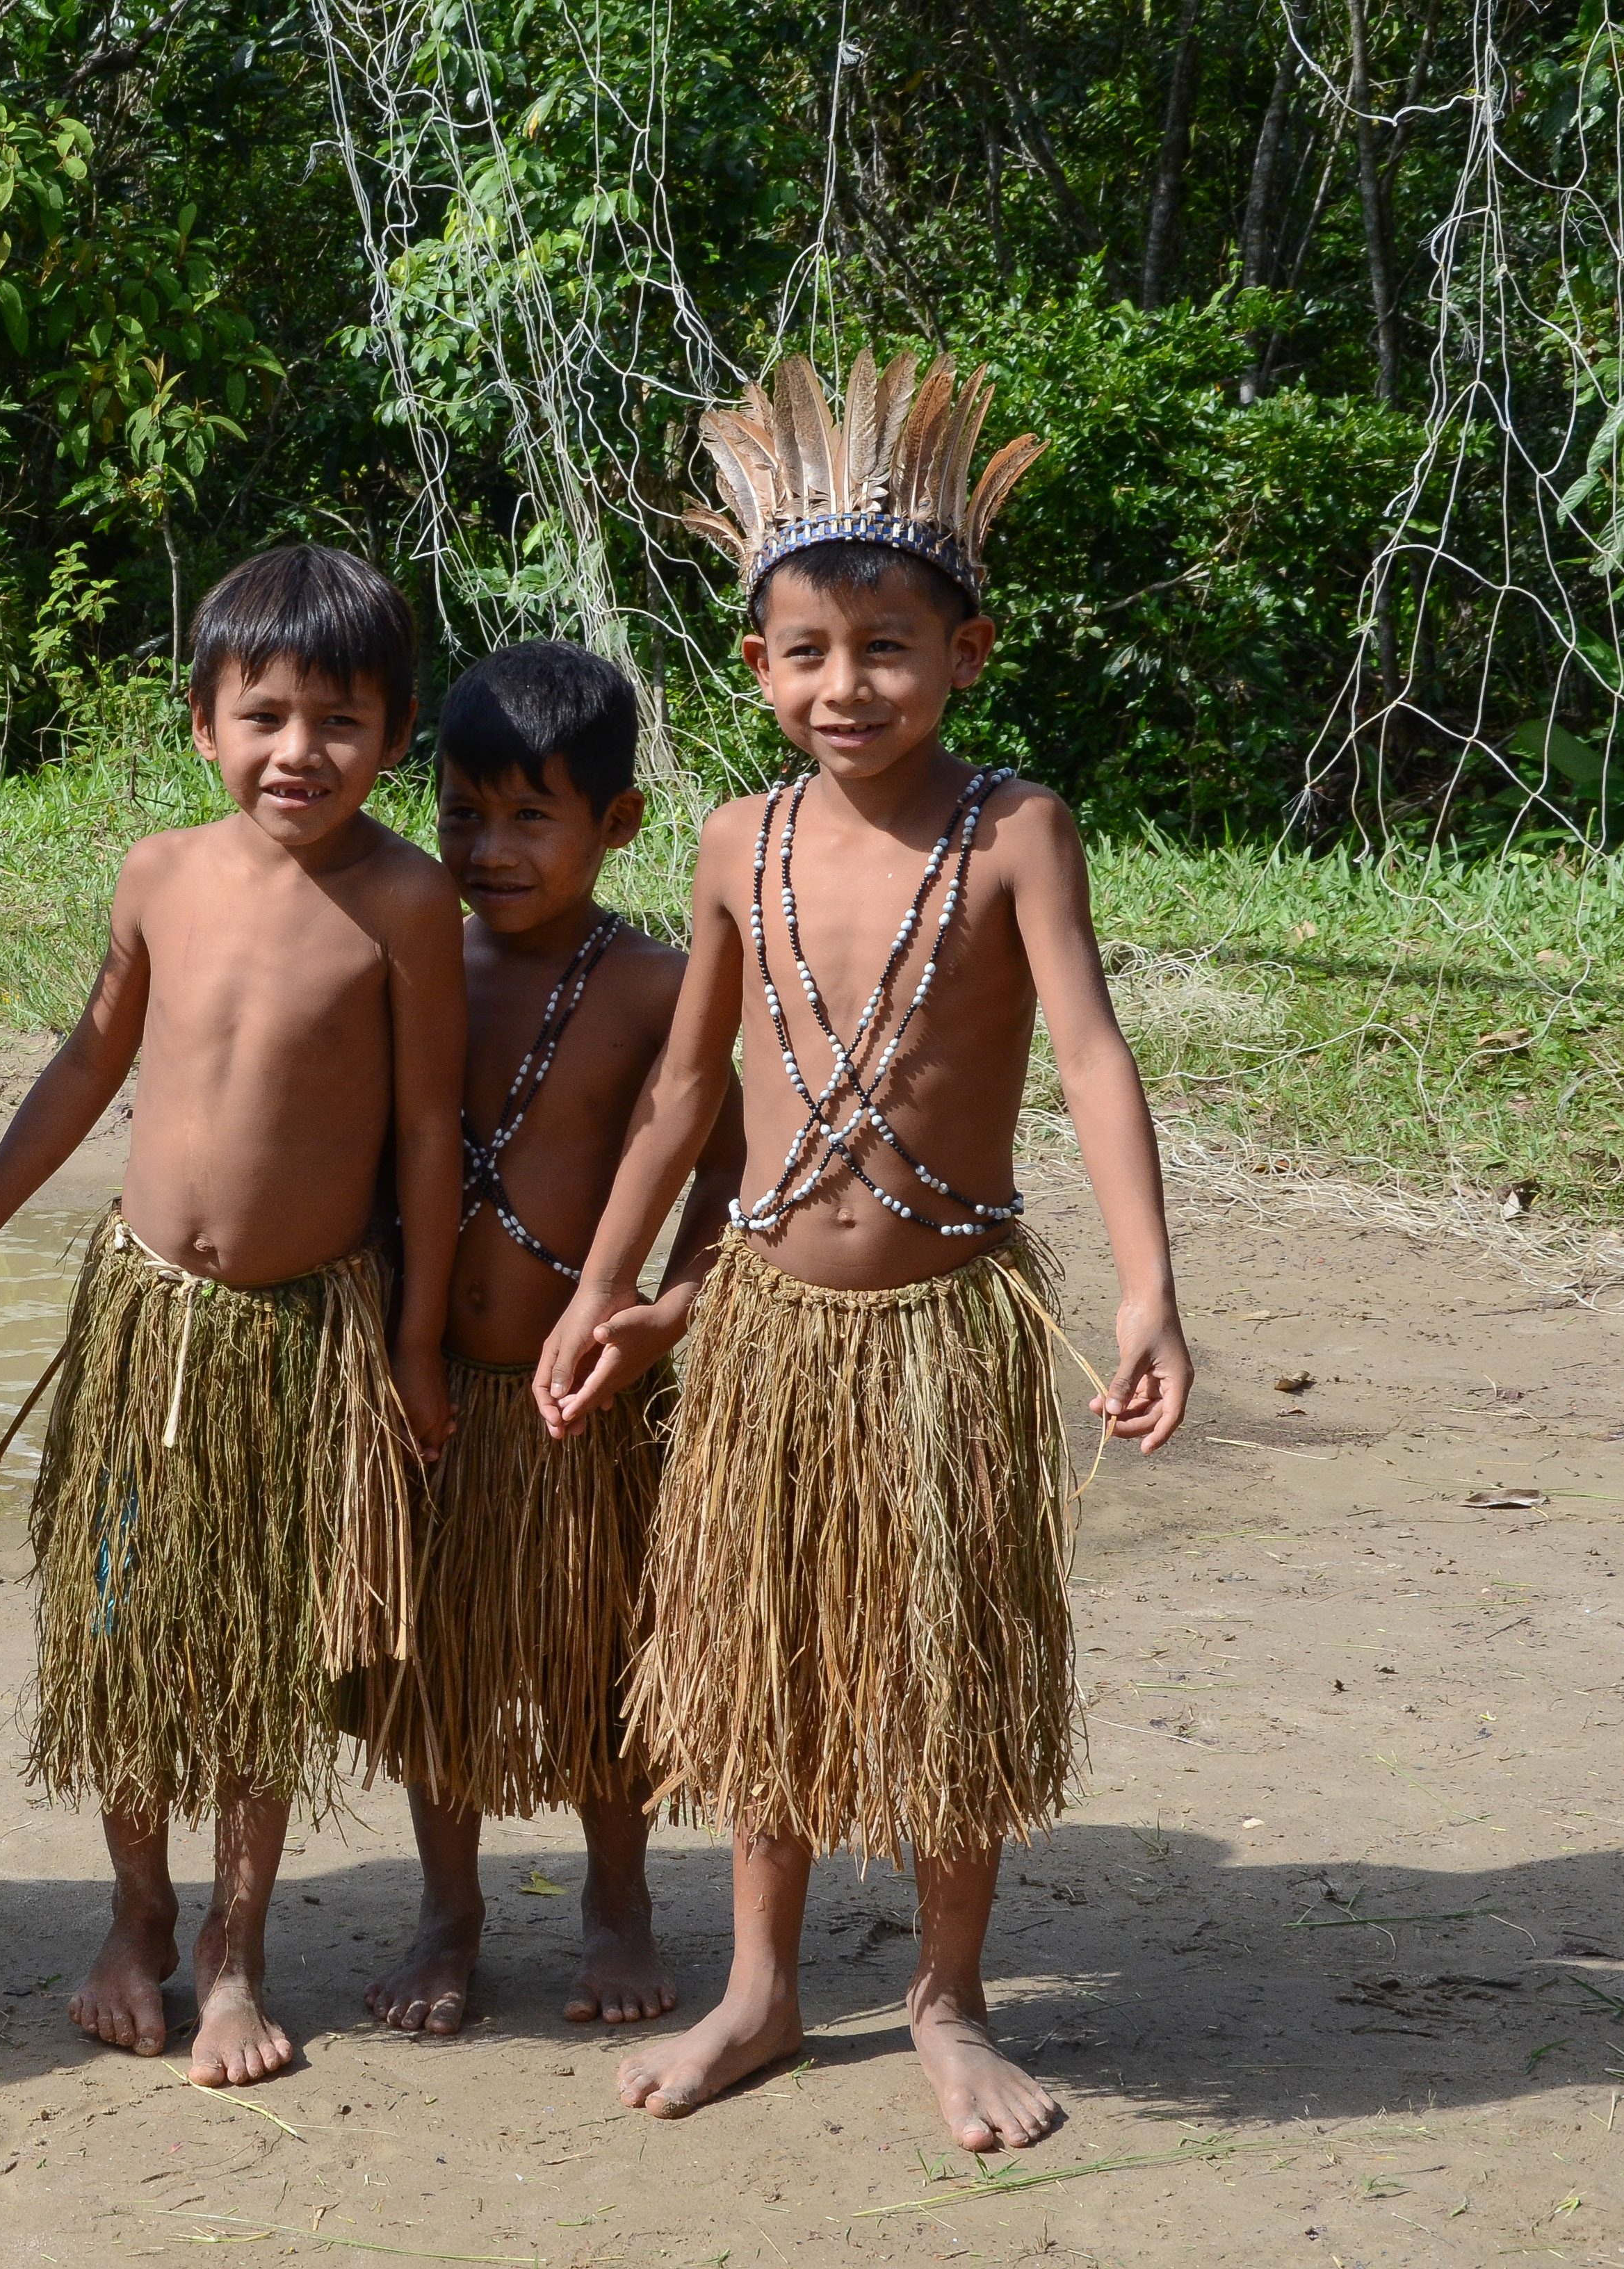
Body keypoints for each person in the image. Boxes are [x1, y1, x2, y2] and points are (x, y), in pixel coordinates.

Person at [539, 352, 1194, 2152]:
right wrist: (606, 1288)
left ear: (969, 654)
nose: (850, 686)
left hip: (946, 1331)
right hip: (765, 1333)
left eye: (889, 648)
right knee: (773, 1673)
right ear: (753, 669)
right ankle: (761, 1990)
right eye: (809, 653)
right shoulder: (735, 840)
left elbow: (1087, 1055)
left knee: (945, 1678)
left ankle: (948, 1999)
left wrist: (1147, 1292)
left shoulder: (1016, 833)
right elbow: (681, 1101)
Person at [0, 543, 466, 2090]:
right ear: (202, 723)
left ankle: (234, 1954)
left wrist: (416, 1344)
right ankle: (135, 1915)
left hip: (302, 1343)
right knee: (123, 1631)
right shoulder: (160, 875)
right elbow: (85, 1061)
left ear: (394, 740)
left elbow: (433, 1132)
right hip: (143, 1324)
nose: (295, 752)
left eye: (339, 722)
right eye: (262, 715)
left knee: (254, 1654)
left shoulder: (405, 901)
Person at [356, 640, 745, 2038]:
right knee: (432, 1662)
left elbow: (731, 1173)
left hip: (582, 1396)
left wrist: (671, 1308)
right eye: (463, 812)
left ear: (616, 823)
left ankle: (619, 1902)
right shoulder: (418, 959)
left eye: (532, 817)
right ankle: (448, 1909)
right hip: (426, 1385)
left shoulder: (649, 986)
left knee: (598, 1657)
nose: (491, 847)